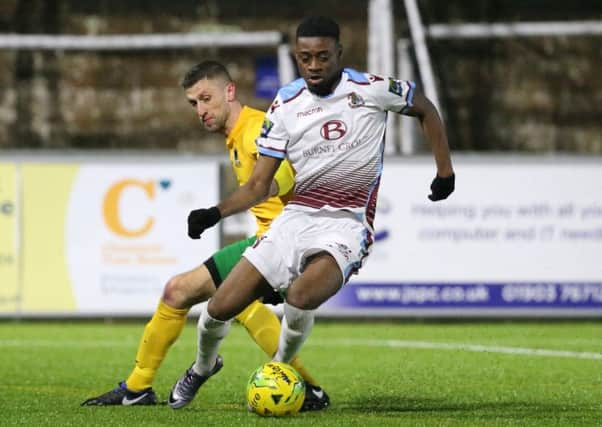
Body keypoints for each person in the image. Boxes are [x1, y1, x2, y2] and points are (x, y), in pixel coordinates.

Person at [168, 16, 455, 409]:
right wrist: (214, 213)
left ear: (339, 52)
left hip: (347, 225)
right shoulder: (286, 103)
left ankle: (280, 368)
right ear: (296, 58)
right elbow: (258, 185)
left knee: (301, 297)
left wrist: (444, 171)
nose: (315, 65)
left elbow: (425, 108)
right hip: (295, 220)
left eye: (323, 56)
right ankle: (201, 368)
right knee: (218, 308)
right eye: (306, 58)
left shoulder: (370, 90)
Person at [81, 60, 330, 411]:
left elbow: (287, 176)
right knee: (193, 294)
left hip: (286, 245)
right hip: (271, 240)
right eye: (193, 103)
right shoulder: (237, 135)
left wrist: (238, 201)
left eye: (205, 98)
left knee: (186, 293)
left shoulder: (256, 128)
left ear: (230, 92)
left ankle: (143, 386)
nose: (200, 110)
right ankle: (140, 388)